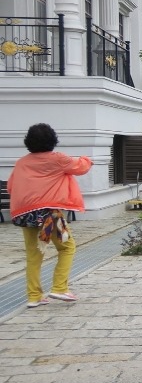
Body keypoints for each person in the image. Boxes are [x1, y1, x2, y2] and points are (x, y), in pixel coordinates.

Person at [7, 123, 93, 308]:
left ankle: (34, 296)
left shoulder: (22, 162)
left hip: (25, 215)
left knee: (34, 254)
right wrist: (87, 159)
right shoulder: (58, 159)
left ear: (28, 142)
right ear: (53, 141)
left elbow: (10, 186)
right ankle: (60, 288)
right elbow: (80, 167)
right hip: (50, 215)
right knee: (67, 247)